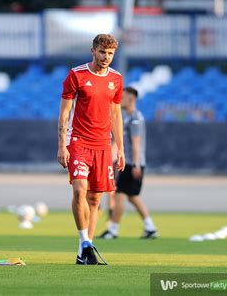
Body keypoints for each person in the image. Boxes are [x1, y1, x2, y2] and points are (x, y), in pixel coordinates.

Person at [57, 34, 125, 265]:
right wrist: (61, 145)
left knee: (95, 199)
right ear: (93, 51)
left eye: (110, 53)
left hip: (103, 144)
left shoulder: (116, 79)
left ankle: (84, 250)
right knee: (79, 190)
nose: (106, 57)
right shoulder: (76, 74)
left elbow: (116, 114)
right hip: (78, 141)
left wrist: (121, 149)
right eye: (102, 52)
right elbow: (65, 113)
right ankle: (85, 240)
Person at [99, 87, 158, 240]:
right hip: (131, 163)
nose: (120, 99)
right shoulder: (128, 117)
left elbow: (136, 143)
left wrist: (136, 164)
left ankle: (112, 230)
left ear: (131, 98)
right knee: (132, 196)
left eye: (123, 97)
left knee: (119, 195)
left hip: (132, 163)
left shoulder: (135, 118)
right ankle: (150, 227)